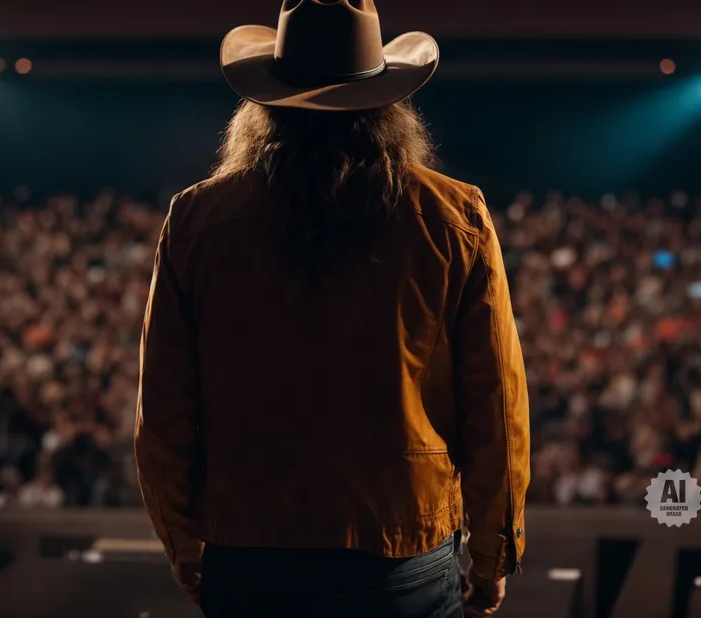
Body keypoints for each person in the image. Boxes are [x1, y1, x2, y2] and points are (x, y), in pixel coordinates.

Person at [134, 2, 531, 617]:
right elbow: (496, 405)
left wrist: (183, 542)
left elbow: (162, 405)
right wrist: (492, 552)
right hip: (403, 545)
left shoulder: (195, 220)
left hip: (249, 546)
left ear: (265, 106)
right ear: (387, 105)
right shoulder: (456, 217)